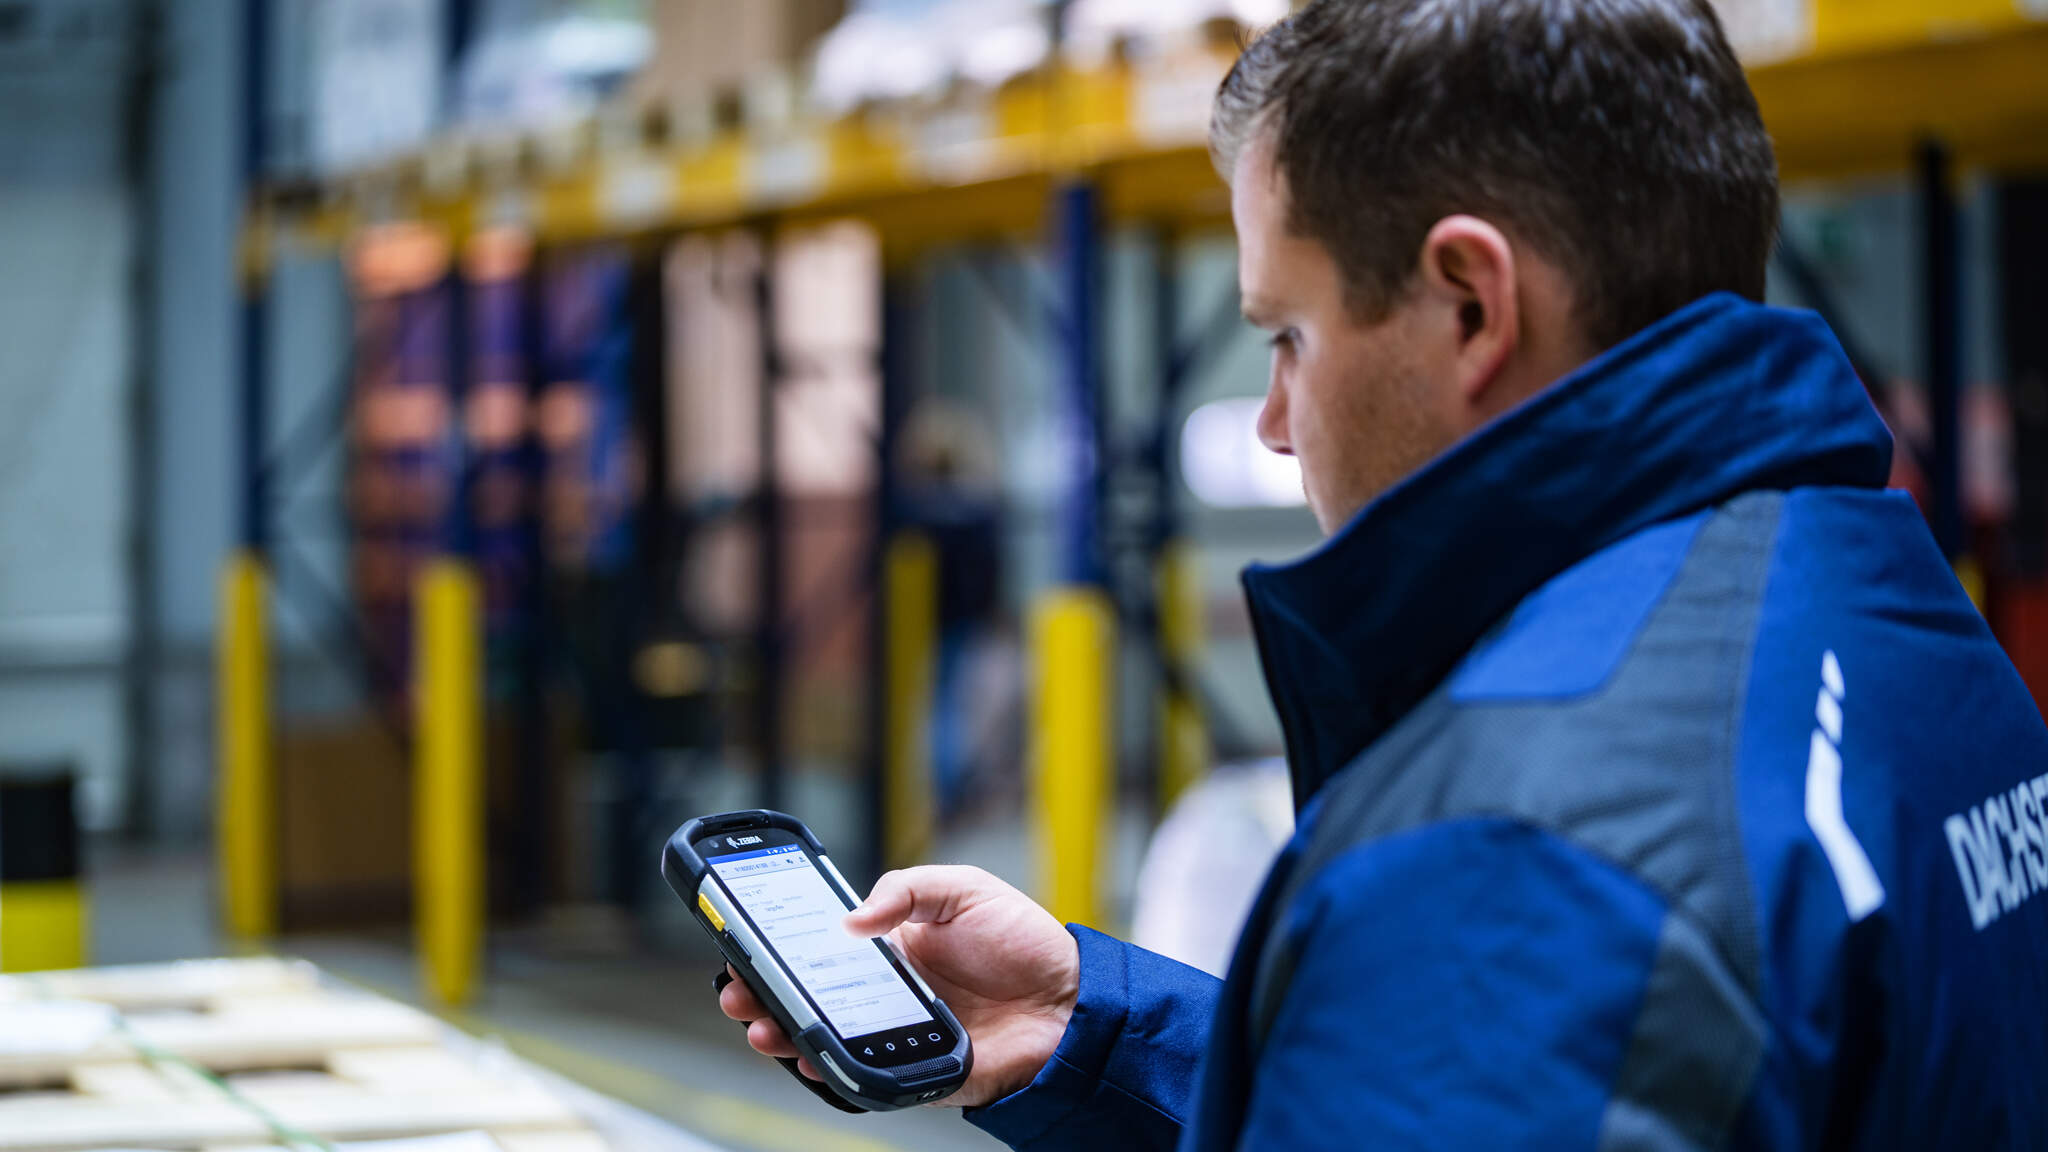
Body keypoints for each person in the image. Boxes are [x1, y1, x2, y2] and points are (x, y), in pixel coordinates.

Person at [719, 0, 2048, 1146]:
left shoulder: (1522, 846)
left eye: (1286, 334)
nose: (1275, 418)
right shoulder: (1893, 611)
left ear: (1470, 304)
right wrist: (1089, 1021)